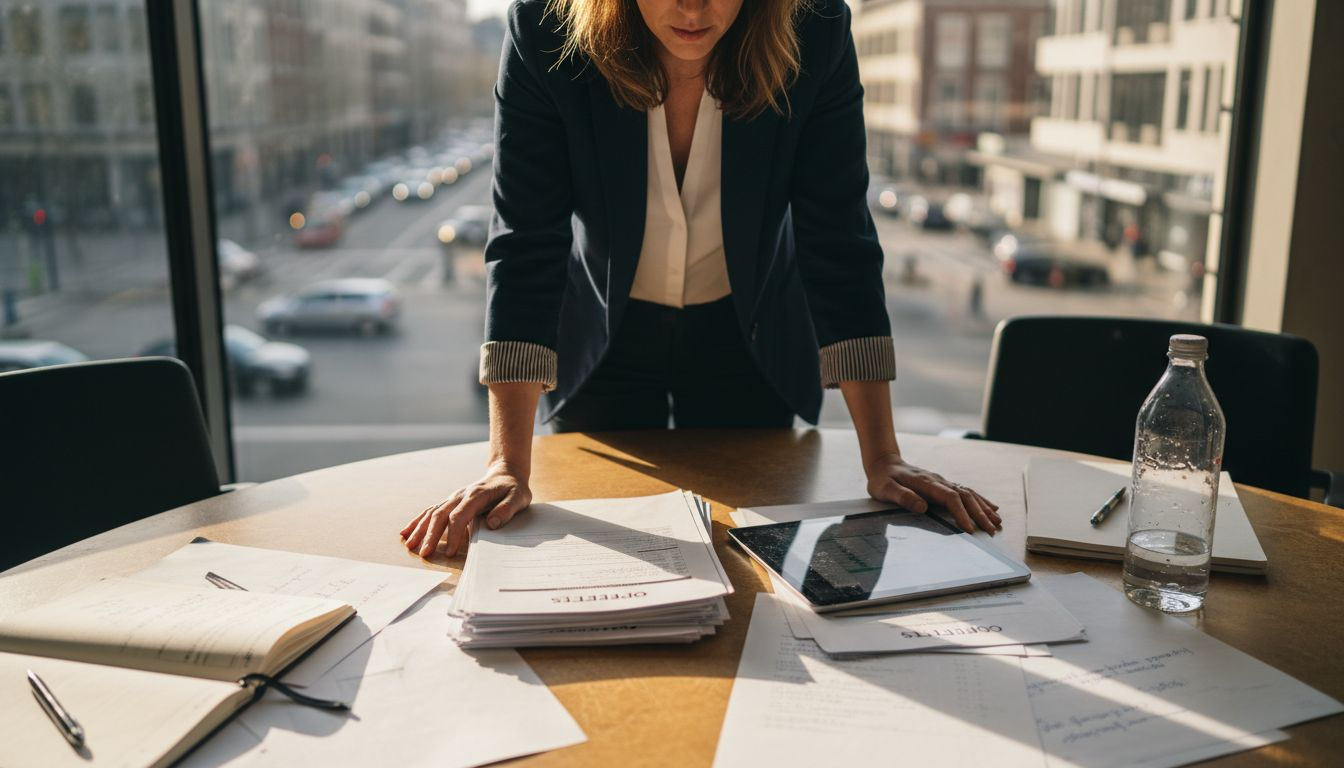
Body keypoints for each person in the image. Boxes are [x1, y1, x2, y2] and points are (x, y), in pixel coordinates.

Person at [401, 0, 1001, 558]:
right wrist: (506, 462)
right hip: (603, 340)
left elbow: (838, 238)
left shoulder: (814, 29)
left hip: (750, 337)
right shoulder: (544, 29)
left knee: (756, 562)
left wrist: (884, 456)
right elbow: (526, 240)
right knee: (599, 559)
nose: (692, 7)